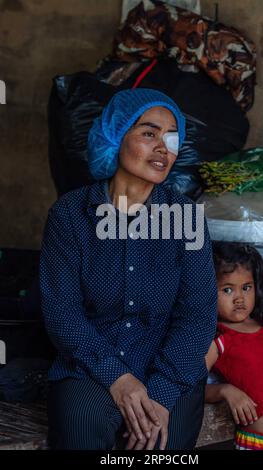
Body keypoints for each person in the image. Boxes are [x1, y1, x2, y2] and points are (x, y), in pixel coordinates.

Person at [39, 88, 218, 450]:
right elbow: (62, 313)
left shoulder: (186, 219)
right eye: (149, 133)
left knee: (160, 442)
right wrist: (117, 378)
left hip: (169, 364)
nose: (163, 147)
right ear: (116, 136)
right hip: (91, 364)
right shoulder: (70, 215)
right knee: (83, 424)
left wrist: (162, 393)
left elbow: (197, 317)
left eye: (171, 137)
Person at [205, 242, 263, 450]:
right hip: (261, 443)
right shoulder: (218, 339)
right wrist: (225, 390)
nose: (239, 298)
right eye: (227, 289)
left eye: (246, 287)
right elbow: (191, 386)